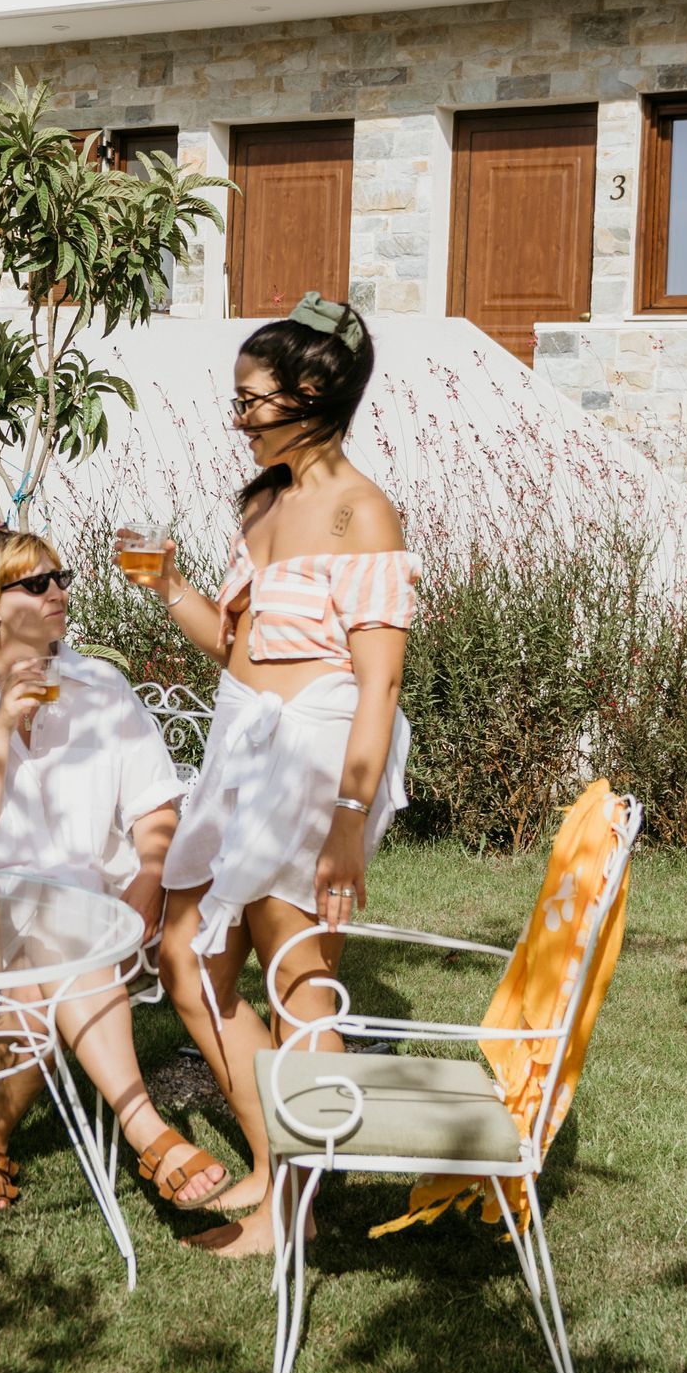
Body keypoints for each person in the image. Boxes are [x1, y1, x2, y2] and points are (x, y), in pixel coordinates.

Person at [135, 294, 415, 1258]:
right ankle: (272, 1158)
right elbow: (239, 648)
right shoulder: (262, 503)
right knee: (186, 958)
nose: (240, 419)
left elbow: (379, 684)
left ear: (312, 393)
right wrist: (170, 586)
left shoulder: (360, 511)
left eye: (252, 401)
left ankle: (291, 1209)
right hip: (244, 739)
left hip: (317, 754)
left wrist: (348, 819)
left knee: (297, 980)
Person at [0, 512, 230, 1215]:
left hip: (96, 918)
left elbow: (154, 806)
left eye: (62, 578)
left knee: (47, 951)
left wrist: (150, 878)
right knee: (50, 926)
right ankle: (147, 1130)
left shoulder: (101, 688)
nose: (59, 592)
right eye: (36, 583)